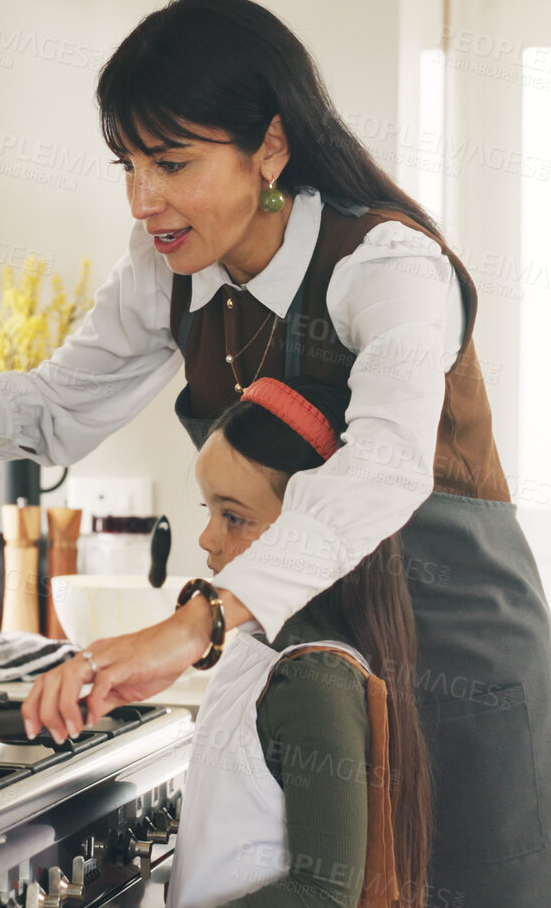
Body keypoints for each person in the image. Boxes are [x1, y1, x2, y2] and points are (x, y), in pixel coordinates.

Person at [0, 0, 551, 906]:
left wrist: (198, 621)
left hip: (452, 653)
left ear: (269, 148)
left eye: (171, 162)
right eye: (127, 164)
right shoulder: (169, 268)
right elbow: (61, 401)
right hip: (306, 657)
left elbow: (384, 467)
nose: (142, 199)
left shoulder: (388, 267)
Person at [169, 375, 428, 908]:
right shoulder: (260, 647)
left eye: (233, 517)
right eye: (209, 511)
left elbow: (323, 894)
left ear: (309, 533)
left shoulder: (313, 679)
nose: (206, 538)